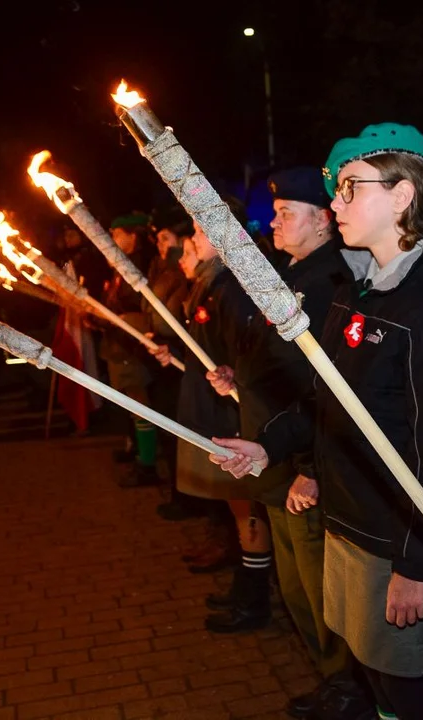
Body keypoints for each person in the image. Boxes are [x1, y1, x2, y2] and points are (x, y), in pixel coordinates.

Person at [212, 123, 423, 720]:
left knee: (411, 692)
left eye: (351, 188)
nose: (336, 203)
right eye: (337, 189)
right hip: (347, 521)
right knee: (377, 682)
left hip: (394, 541)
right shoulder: (353, 294)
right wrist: (267, 447)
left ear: (403, 196)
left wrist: (415, 567)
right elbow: (324, 398)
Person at [205, 167, 368, 717]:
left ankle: (346, 687)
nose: (274, 222)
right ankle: (328, 677)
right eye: (275, 212)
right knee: (297, 584)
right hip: (274, 451)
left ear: (323, 221)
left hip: (303, 457)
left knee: (319, 583)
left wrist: (310, 467)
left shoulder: (327, 284)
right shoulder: (288, 271)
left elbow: (324, 386)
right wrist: (237, 376)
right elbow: (271, 356)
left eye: (286, 213)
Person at [149, 213, 258, 582]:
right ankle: (242, 573)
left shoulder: (231, 288)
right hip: (211, 407)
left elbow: (240, 354)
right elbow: (204, 351)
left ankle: (252, 586)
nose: (191, 241)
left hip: (229, 415)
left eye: (198, 232)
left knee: (244, 504)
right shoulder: (210, 285)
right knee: (229, 501)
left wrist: (232, 376)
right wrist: (176, 357)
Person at [100, 214, 162, 486]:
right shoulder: (122, 266)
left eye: (116, 234)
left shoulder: (138, 267)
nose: (112, 240)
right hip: (120, 343)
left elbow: (135, 306)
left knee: (140, 404)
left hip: (132, 345)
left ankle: (147, 463)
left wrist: (107, 314)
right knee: (132, 403)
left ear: (132, 235)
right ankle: (138, 451)